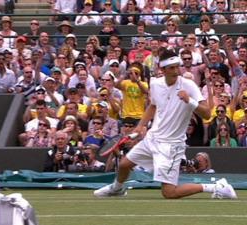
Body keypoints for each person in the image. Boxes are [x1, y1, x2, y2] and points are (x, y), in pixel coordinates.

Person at [94, 49, 237, 199]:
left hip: (171, 146)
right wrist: (141, 125)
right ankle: (117, 188)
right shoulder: (155, 84)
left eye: (177, 66)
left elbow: (207, 113)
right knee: (124, 164)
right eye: (172, 68)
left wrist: (190, 101)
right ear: (162, 69)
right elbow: (153, 106)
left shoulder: (189, 86)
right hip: (152, 139)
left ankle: (216, 187)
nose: (176, 71)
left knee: (169, 192)